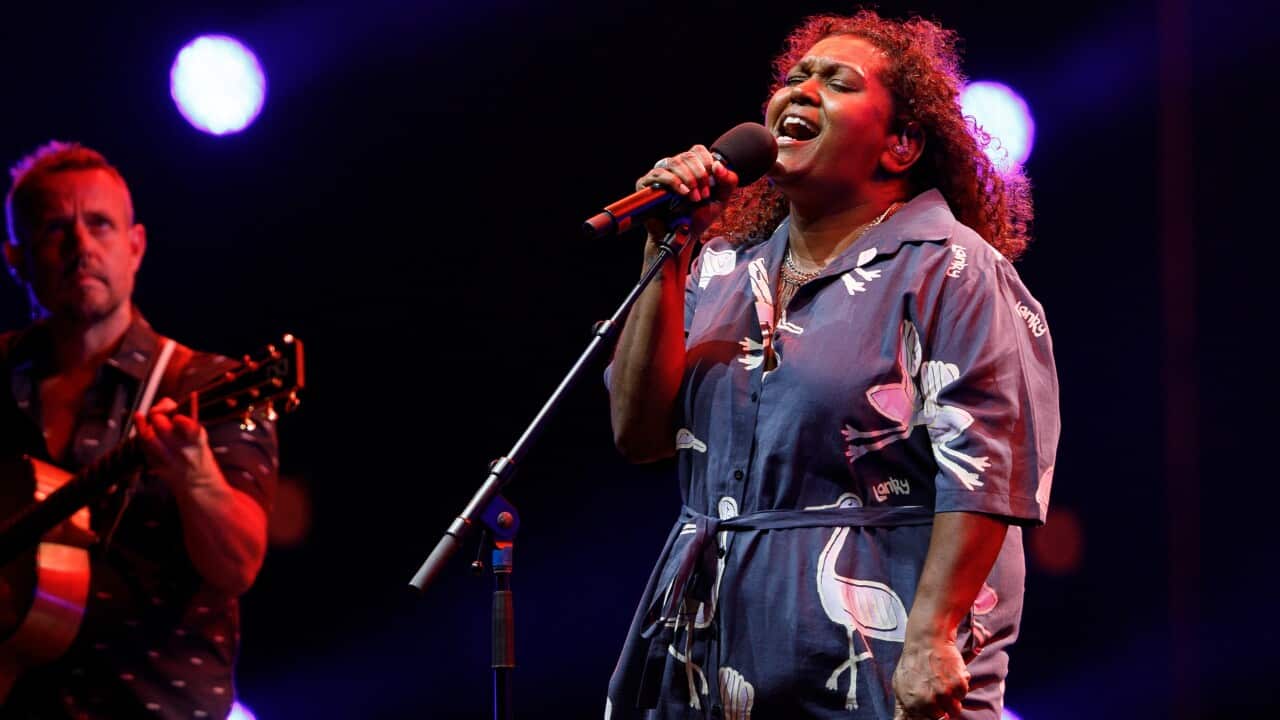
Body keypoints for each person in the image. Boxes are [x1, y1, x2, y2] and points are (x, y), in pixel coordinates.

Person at [604, 9, 1059, 720]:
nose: (802, 91)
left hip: (872, 661)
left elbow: (988, 467)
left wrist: (932, 637)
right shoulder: (719, 267)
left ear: (901, 145)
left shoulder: (952, 269)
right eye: (794, 77)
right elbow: (640, 434)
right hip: (710, 660)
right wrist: (666, 245)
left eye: (837, 83)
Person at [0, 141, 278, 719]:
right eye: (55, 229)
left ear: (136, 246)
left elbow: (238, 566)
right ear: (16, 259)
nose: (81, 247)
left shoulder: (204, 382)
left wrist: (197, 477)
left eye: (100, 225)